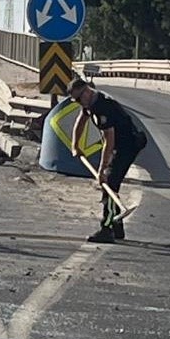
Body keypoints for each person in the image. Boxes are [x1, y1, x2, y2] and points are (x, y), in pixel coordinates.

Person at [66, 75, 147, 244]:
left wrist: (102, 169)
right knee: (111, 182)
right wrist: (75, 145)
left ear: (86, 91)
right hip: (120, 143)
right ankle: (117, 226)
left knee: (109, 182)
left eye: (79, 99)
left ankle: (107, 228)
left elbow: (109, 140)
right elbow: (81, 120)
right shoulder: (89, 103)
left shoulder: (103, 106)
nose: (80, 103)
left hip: (128, 144)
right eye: (76, 101)